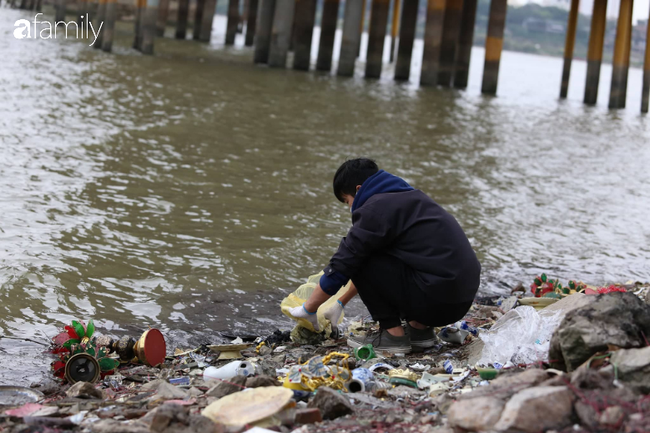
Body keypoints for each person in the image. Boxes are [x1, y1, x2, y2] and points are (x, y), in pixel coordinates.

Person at [289, 158, 481, 354]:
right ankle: (419, 332)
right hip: (460, 300)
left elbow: (345, 263)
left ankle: (393, 337)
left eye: (347, 200)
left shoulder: (376, 207)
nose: (350, 208)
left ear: (358, 189)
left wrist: (309, 308)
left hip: (436, 300)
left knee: (356, 254)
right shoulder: (411, 198)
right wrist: (340, 302)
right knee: (380, 253)